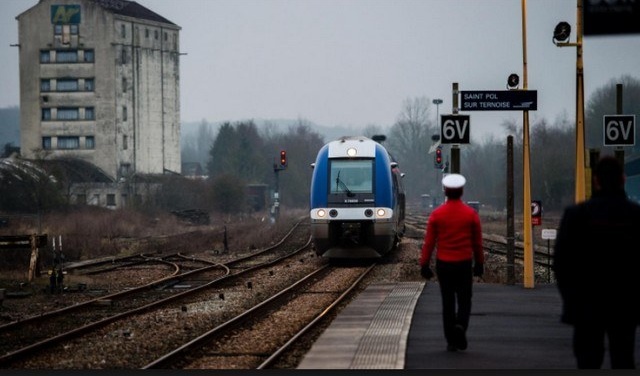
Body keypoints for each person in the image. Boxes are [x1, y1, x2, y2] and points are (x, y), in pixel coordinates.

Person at [554, 156, 640, 369]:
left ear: (596, 181)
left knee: (587, 360)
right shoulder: (635, 216)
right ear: (623, 179)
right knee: (623, 358)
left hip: (586, 304)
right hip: (625, 303)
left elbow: (562, 263)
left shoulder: (576, 215)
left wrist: (570, 299)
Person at [419, 173, 484, 352]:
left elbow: (429, 243)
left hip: (444, 265)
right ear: (461, 191)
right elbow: (477, 243)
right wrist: (479, 263)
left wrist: (424, 265)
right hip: (463, 264)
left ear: (446, 191)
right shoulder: (471, 215)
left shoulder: (437, 215)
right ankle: (461, 326)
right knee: (464, 300)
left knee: (447, 302)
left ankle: (450, 341)